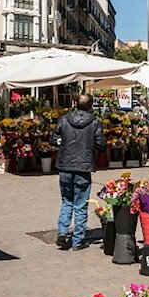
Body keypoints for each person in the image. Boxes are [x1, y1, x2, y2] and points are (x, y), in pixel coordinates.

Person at [53, 93, 105, 251]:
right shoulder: (95, 122)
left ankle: (63, 231)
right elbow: (101, 144)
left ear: (76, 104)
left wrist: (62, 142)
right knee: (81, 205)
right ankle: (77, 240)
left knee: (67, 201)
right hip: (83, 167)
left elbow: (54, 138)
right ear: (90, 106)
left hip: (65, 166)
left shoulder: (64, 119)